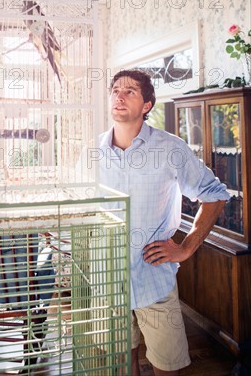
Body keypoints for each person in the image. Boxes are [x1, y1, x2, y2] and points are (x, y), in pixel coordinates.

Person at [96, 69, 229, 376]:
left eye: (130, 91)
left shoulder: (171, 148)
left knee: (168, 368)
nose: (119, 95)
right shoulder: (93, 152)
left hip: (153, 280)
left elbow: (215, 194)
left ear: (147, 105)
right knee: (119, 365)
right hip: (106, 279)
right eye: (116, 89)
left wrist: (185, 248)